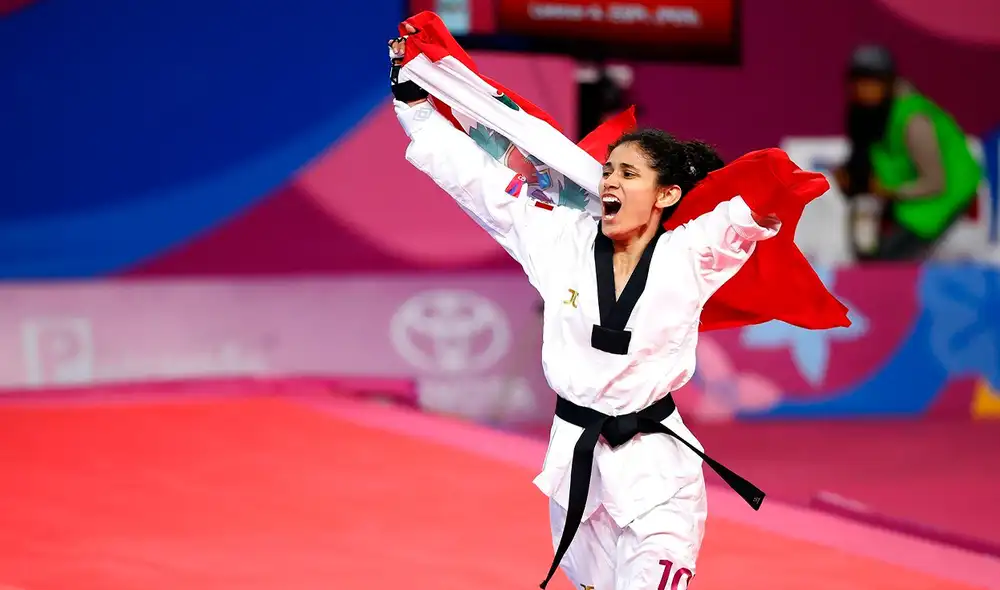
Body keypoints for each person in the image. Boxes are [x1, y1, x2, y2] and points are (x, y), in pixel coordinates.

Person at [389, 28, 777, 590]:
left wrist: (773, 198)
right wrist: (417, 108)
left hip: (658, 473)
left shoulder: (691, 253)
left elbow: (753, 206)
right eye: (609, 170)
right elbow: (479, 183)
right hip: (576, 462)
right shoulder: (557, 237)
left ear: (666, 196)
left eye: (629, 174)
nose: (611, 180)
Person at [835, 44, 982, 261]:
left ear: (888, 83)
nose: (863, 90)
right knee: (864, 244)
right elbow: (875, 161)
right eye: (858, 82)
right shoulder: (868, 114)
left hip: (946, 195)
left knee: (885, 259)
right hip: (904, 196)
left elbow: (935, 183)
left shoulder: (915, 122)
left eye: (871, 83)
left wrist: (889, 192)